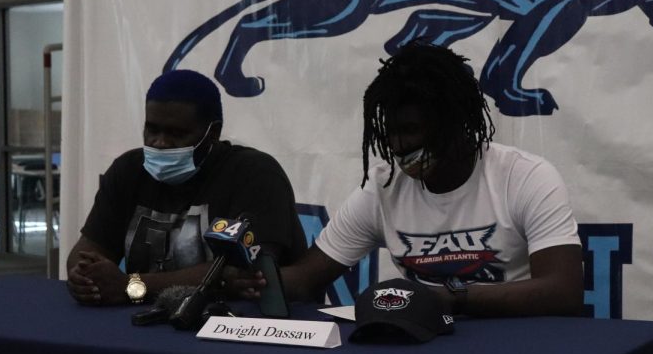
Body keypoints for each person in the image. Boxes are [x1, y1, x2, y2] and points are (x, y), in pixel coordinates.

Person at [234, 41, 583, 317]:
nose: (399, 147)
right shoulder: (384, 186)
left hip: (519, 344)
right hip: (426, 345)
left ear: (457, 122)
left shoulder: (525, 177)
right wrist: (254, 279)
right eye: (390, 134)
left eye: (411, 130)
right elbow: (305, 280)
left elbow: (562, 291)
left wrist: (452, 298)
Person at [66, 70, 307, 305]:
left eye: (176, 133)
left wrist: (133, 286)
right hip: (145, 321)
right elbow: (87, 251)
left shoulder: (255, 174)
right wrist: (86, 276)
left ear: (213, 133)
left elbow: (244, 273)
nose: (159, 142)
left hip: (237, 326)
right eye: (152, 129)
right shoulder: (128, 170)